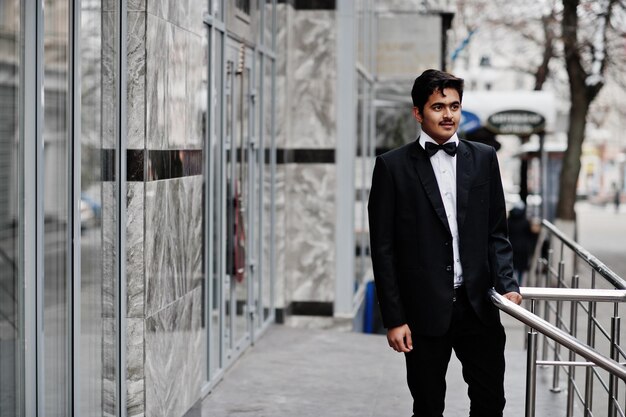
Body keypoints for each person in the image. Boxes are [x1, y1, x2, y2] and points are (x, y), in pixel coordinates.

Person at [368, 69, 522, 417]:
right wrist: (394, 318)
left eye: (454, 106)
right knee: (427, 406)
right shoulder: (391, 168)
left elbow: (497, 232)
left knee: (490, 403)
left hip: (478, 305)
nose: (448, 114)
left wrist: (507, 284)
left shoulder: (483, 158)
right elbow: (384, 249)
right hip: (422, 311)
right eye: (438, 107)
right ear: (418, 113)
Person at [507, 201, 533, 286]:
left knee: (512, 268)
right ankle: (520, 285)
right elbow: (529, 235)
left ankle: (512, 284)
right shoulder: (525, 222)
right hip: (523, 249)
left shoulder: (509, 221)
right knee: (521, 270)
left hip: (511, 247)